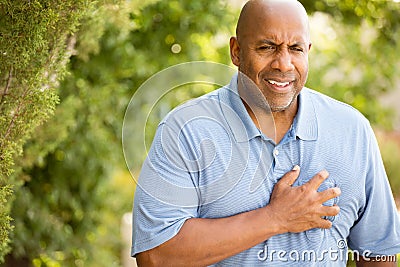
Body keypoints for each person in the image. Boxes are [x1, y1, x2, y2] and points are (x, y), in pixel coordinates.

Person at [131, 0, 400, 266]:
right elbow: (156, 256)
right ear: (236, 51)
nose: (283, 64)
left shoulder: (352, 130)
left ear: (308, 51)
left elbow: (380, 250)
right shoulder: (185, 130)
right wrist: (275, 218)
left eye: (295, 49)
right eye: (267, 47)